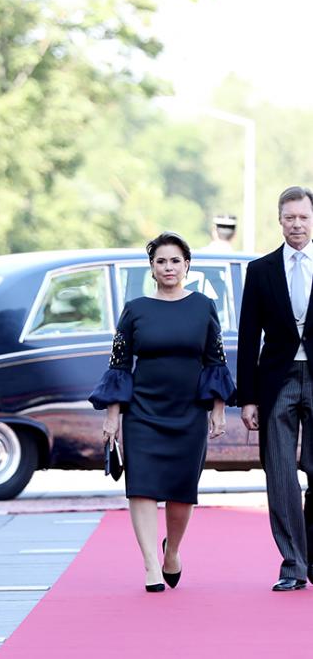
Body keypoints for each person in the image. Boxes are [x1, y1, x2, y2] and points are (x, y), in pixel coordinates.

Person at [89, 231, 235, 592]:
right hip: (143, 412)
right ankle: (151, 564)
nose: (168, 267)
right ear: (151, 268)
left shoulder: (203, 306)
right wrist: (112, 416)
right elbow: (119, 365)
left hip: (188, 411)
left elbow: (215, 359)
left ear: (187, 265)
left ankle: (172, 551)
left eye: (175, 260)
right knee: (141, 487)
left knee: (182, 492)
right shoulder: (135, 309)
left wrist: (217, 409)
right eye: (160, 261)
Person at [238, 186, 313, 592]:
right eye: (290, 218)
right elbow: (248, 337)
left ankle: (311, 554)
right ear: (279, 220)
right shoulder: (261, 270)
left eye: (303, 217)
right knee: (281, 475)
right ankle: (293, 565)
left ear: (312, 219)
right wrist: (247, 396)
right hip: (277, 382)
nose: (296, 224)